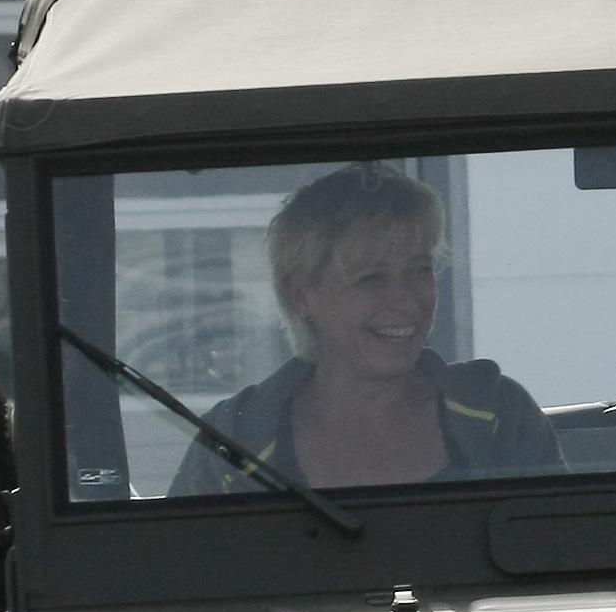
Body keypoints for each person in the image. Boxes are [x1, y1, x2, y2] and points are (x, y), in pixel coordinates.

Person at [169, 162, 558, 495]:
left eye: (420, 270)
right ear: (301, 292)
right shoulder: (231, 444)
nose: (406, 301)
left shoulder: (500, 416)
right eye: (371, 277)